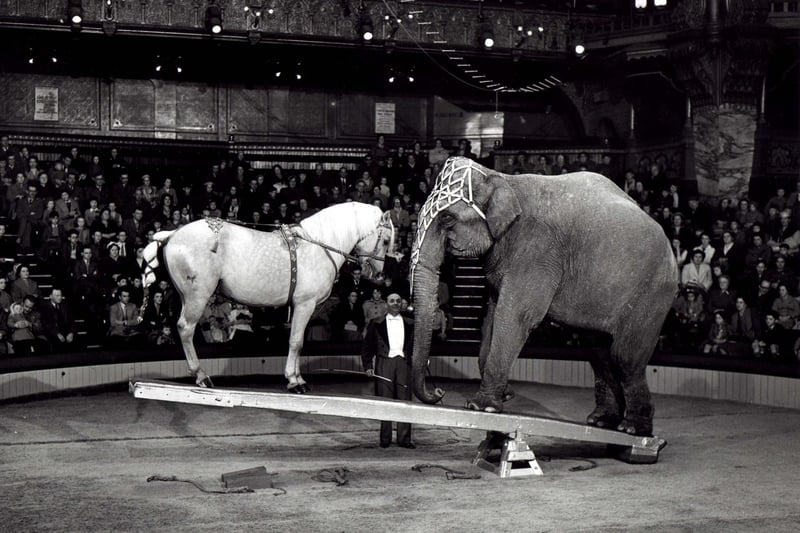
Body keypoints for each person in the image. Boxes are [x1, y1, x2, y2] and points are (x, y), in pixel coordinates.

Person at [361, 292, 415, 449]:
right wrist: (368, 366)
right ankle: (385, 439)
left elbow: (417, 347)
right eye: (392, 301)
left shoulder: (411, 322)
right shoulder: (376, 322)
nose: (396, 303)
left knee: (405, 402)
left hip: (404, 363)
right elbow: (367, 347)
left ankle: (404, 439)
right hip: (384, 363)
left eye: (398, 300)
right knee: (385, 401)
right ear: (386, 303)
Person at [39, 287, 77, 352]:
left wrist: (71, 333)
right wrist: (57, 334)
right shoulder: (45, 307)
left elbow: (72, 321)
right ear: (50, 296)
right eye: (57, 296)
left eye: (61, 295)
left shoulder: (65, 305)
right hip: (52, 332)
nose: (60, 297)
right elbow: (46, 325)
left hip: (66, 331)